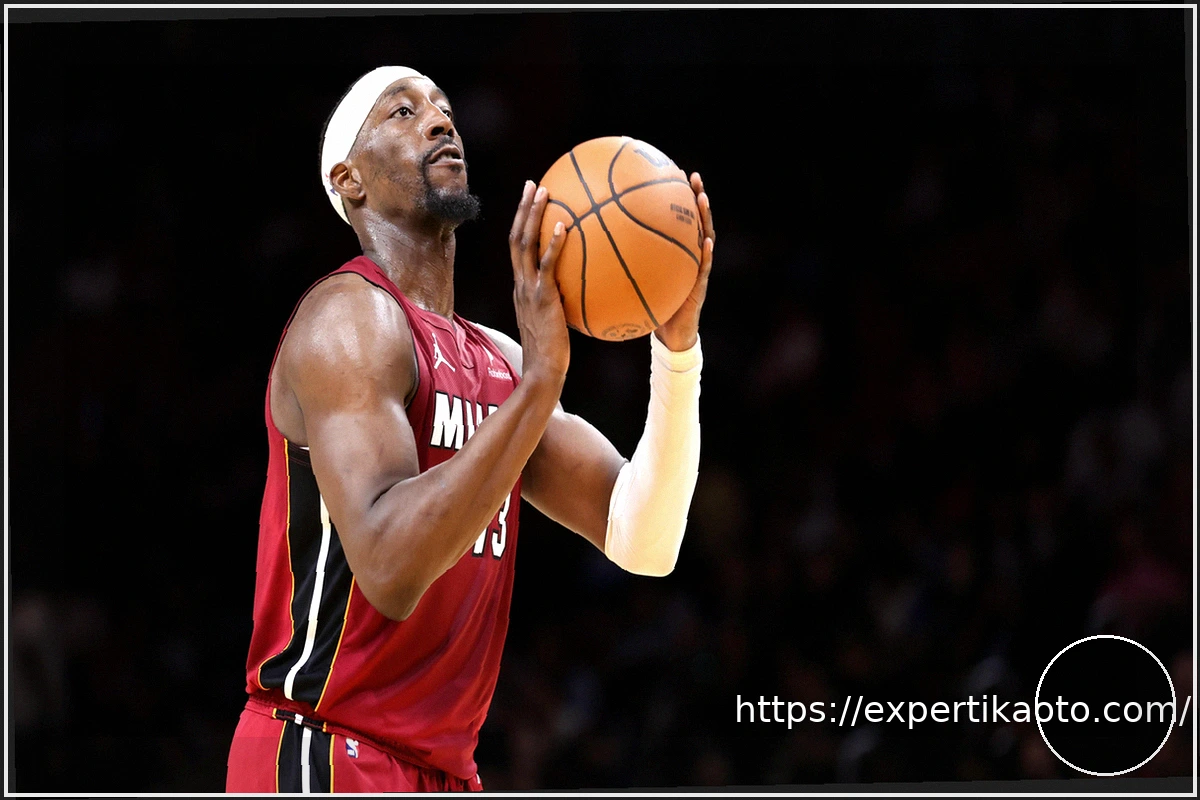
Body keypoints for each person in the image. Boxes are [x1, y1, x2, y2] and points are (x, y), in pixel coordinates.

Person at [225, 65, 715, 793]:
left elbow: (645, 540)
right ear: (349, 180)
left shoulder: (500, 363)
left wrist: (677, 353)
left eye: (444, 108)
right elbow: (389, 569)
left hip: (443, 770)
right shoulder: (349, 320)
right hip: (323, 749)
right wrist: (540, 384)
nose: (439, 120)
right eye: (402, 112)